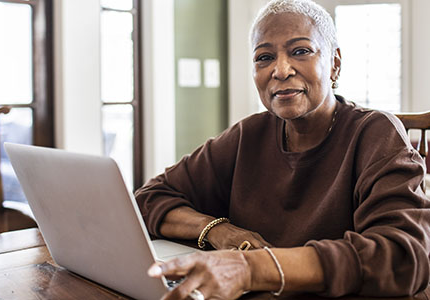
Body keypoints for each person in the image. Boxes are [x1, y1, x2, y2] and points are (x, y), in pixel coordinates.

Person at [136, 0, 430, 299]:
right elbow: (149, 198)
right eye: (264, 57)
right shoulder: (248, 135)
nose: (280, 69)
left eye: (300, 51)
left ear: (334, 63)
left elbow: (401, 258)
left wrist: (252, 268)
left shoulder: (376, 133)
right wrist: (217, 230)